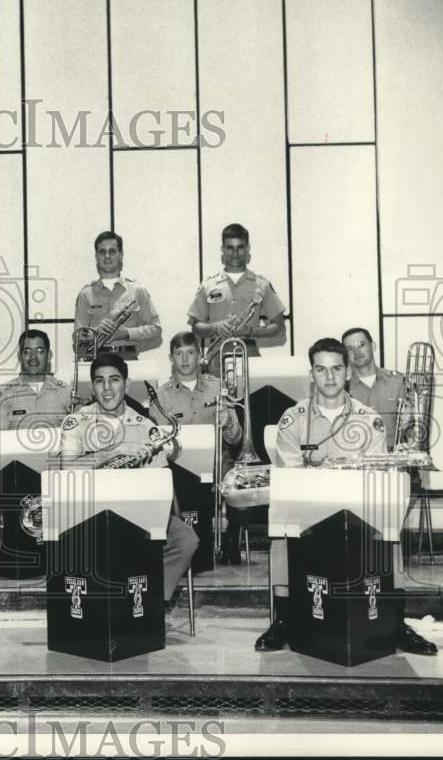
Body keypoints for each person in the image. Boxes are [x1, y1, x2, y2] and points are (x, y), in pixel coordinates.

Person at [255, 338, 436, 656]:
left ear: (348, 372)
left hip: (358, 510)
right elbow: (291, 478)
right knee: (280, 533)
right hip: (309, 512)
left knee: (389, 530)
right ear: (311, 373)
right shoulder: (292, 419)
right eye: (321, 369)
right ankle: (283, 619)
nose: (329, 376)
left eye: (337, 368)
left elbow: (376, 479)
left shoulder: (370, 419)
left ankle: (395, 622)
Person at [59, 353, 198, 605]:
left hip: (137, 513)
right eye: (100, 381)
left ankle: (153, 598)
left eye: (114, 380)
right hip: (90, 512)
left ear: (127, 383)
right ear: (92, 386)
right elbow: (67, 467)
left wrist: (144, 473)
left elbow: (161, 487)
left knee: (186, 539)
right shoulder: (76, 421)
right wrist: (112, 453)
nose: (108, 389)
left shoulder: (146, 426)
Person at [154, 332, 246, 565]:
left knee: (241, 481)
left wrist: (229, 423)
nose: (185, 359)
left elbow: (236, 439)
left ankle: (231, 541)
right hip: (179, 466)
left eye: (191, 353)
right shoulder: (161, 396)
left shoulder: (217, 387)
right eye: (179, 353)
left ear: (200, 356)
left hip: (217, 462)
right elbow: (159, 446)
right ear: (171, 358)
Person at [187, 223, 286, 360]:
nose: (235, 253)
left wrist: (250, 331)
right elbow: (195, 326)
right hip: (216, 357)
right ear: (222, 249)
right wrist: (215, 327)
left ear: (247, 249)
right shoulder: (208, 285)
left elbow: (279, 326)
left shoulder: (262, 285)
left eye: (240, 247)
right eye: (230, 248)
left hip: (249, 355)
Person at [73, 231, 162, 361]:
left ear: (121, 255)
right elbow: (77, 341)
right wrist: (96, 331)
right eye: (102, 252)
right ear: (96, 256)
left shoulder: (137, 291)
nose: (107, 256)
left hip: (129, 360)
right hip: (96, 361)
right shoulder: (85, 295)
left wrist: (126, 333)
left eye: (112, 251)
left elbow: (156, 329)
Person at [0, 330, 72, 431]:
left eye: (39, 351)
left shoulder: (66, 393)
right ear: (19, 356)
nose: (33, 357)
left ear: (49, 355)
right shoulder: (4, 395)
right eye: (27, 352)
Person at [342, 327, 405, 450]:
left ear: (373, 346)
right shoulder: (341, 389)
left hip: (395, 459)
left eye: (361, 345)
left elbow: (412, 427)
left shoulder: (398, 382)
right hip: (357, 460)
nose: (356, 352)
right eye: (350, 349)